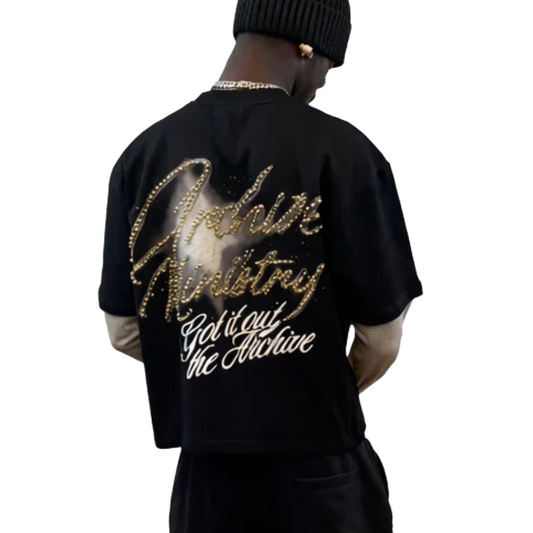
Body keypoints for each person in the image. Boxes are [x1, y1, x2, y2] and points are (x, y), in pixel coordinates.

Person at [98, 0, 423, 531]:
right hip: (322, 473)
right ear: (306, 46)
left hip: (207, 481)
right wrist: (316, 380)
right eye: (329, 63)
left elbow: (124, 329)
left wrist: (218, 377)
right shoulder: (345, 152)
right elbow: (382, 334)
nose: (323, 82)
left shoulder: (144, 155)